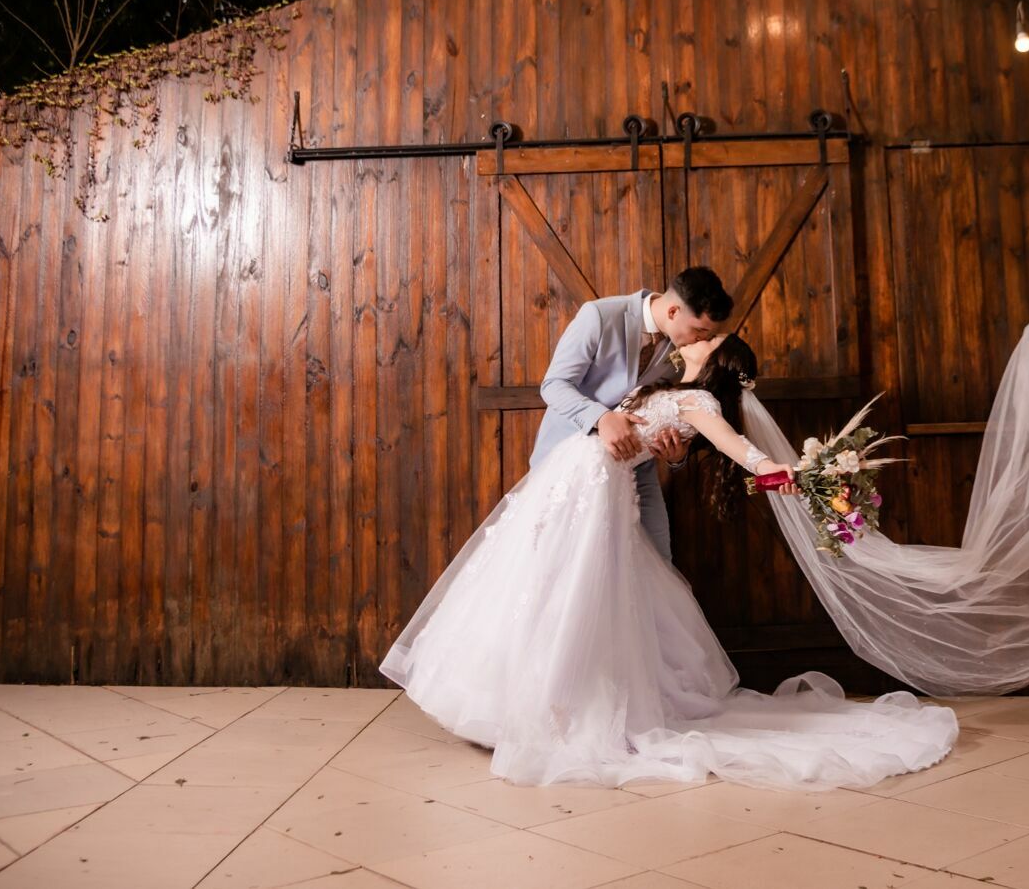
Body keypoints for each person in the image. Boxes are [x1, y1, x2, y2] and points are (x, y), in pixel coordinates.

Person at [380, 331, 960, 790]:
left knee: (575, 596)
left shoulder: (699, 399)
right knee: (536, 589)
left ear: (715, 358)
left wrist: (796, 477)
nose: (693, 338)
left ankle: (557, 712)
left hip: (596, 495)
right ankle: (515, 704)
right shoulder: (658, 380)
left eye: (706, 337)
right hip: (568, 484)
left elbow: (742, 451)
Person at [531, 266, 733, 561]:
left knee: (658, 558)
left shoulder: (687, 353)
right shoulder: (599, 316)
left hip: (638, 472)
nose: (701, 340)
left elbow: (673, 410)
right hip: (573, 464)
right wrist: (601, 418)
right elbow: (554, 385)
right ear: (674, 311)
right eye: (699, 330)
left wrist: (676, 459)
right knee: (568, 565)